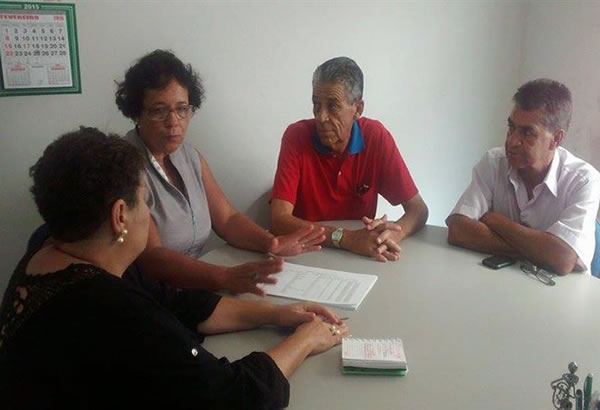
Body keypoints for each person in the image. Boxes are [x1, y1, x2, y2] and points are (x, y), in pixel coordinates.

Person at [0, 127, 349, 409]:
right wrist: (305, 341)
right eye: (145, 202)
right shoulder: (112, 309)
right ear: (120, 215)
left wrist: (275, 315)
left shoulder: (52, 247)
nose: (149, 214)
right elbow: (234, 396)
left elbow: (175, 303)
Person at [116, 50, 325, 295]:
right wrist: (225, 277)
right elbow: (153, 257)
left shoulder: (190, 157)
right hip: (151, 295)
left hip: (196, 286)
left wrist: (272, 243)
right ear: (137, 113)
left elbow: (227, 219)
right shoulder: (125, 167)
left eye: (182, 109)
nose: (173, 122)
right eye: (159, 111)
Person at [270, 56, 428, 262]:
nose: (321, 117)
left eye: (333, 106)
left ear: (358, 109)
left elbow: (418, 210)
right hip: (306, 256)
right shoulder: (296, 136)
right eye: (316, 104)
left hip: (358, 259)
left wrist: (392, 234)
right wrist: (346, 238)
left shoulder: (375, 137)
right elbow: (278, 220)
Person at [446, 79, 600, 274]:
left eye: (528, 133)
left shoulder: (584, 180)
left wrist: (496, 221)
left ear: (556, 139)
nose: (512, 141)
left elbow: (562, 258)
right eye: (511, 127)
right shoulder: (494, 162)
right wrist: (539, 250)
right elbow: (458, 229)